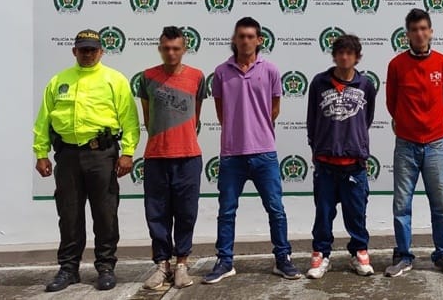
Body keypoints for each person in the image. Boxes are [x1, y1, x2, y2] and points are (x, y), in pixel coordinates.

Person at [33, 29, 140, 292]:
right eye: (83, 49)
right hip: (67, 156)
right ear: (74, 51)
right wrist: (40, 153)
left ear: (101, 52)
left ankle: (106, 267)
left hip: (101, 154)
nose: (88, 54)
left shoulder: (114, 80)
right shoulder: (58, 80)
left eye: (93, 49)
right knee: (69, 214)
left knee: (105, 213)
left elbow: (129, 119)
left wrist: (128, 152)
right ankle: (68, 269)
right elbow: (44, 120)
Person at [203, 17, 301, 283]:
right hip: (232, 155)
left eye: (250, 36)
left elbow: (274, 109)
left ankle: (283, 258)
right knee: (226, 211)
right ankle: (225, 261)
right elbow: (222, 113)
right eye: (241, 36)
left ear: (259, 40)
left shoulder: (270, 70)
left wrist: (257, 129)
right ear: (234, 39)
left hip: (264, 153)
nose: (245, 41)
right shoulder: (221, 72)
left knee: (276, 209)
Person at [384, 8, 443, 277]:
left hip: (436, 144)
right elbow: (392, 103)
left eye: (424, 29)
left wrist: (430, 126)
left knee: (441, 204)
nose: (419, 34)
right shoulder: (396, 65)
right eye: (414, 30)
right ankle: (403, 255)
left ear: (431, 32)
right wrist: (408, 125)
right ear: (407, 34)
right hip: (406, 144)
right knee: (401, 204)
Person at [138, 26, 207, 290]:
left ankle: (181, 264)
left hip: (188, 157)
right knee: (156, 214)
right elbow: (147, 117)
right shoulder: (147, 77)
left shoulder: (197, 76)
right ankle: (161, 264)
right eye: (166, 48)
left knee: (186, 213)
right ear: (160, 48)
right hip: (156, 157)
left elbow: (196, 114)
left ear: (184, 49)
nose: (171, 53)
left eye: (176, 48)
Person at [305, 35, 377, 279]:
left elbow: (366, 119)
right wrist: (317, 147)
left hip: (354, 164)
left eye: (349, 53)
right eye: (340, 52)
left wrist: (354, 144)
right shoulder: (319, 82)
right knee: (323, 214)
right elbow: (312, 119)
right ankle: (321, 254)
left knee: (356, 213)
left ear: (357, 57)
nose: (344, 57)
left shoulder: (365, 84)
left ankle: (359, 252)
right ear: (334, 55)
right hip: (325, 163)